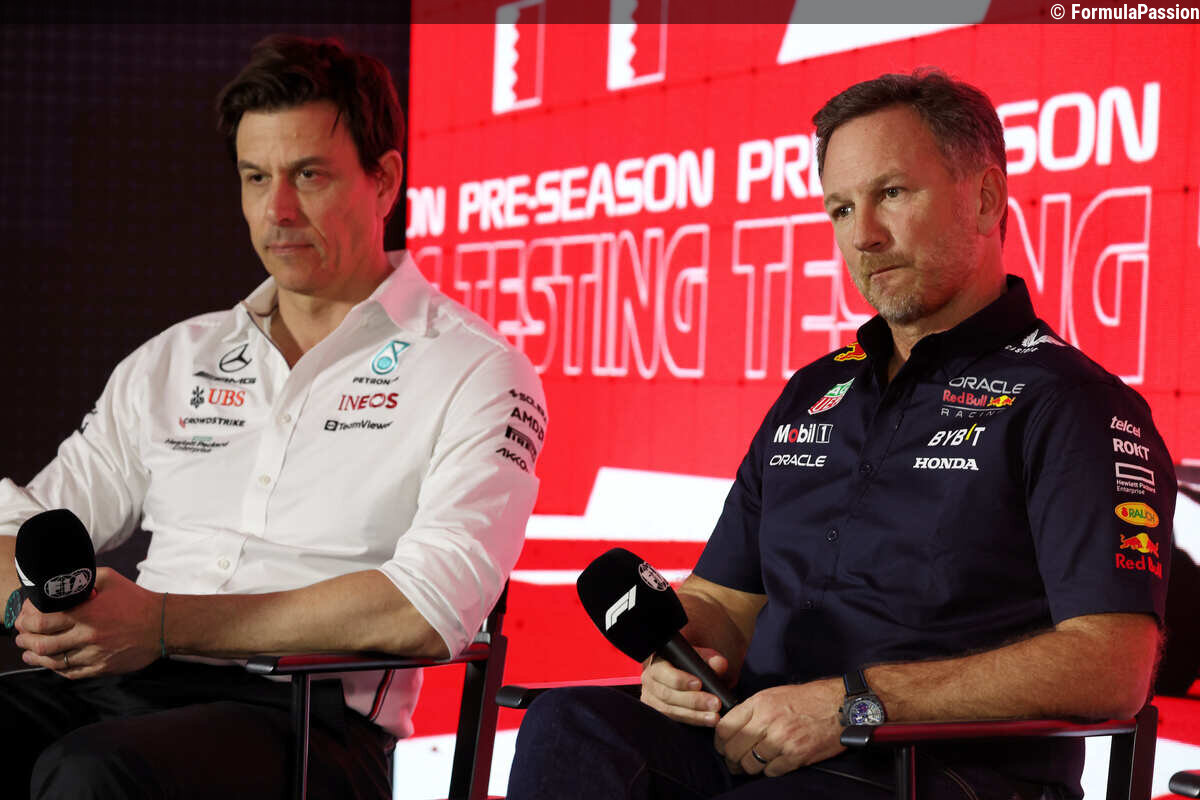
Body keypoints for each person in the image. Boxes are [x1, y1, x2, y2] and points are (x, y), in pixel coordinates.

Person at [506, 68, 1172, 800]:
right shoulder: (814, 391)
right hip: (762, 744)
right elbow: (724, 602)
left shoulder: (1071, 403)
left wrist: (853, 705)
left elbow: (1113, 664)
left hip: (935, 773)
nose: (864, 235)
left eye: (893, 193)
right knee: (569, 726)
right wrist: (684, 650)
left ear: (985, 199)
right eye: (841, 208)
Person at [0, 35, 545, 800]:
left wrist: (163, 622)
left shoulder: (475, 368)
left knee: (93, 773)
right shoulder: (176, 357)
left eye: (309, 176)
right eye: (256, 177)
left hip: (310, 722)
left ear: (386, 179)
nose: (276, 211)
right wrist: (29, 605)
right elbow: (18, 525)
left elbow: (429, 607)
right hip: (122, 683)